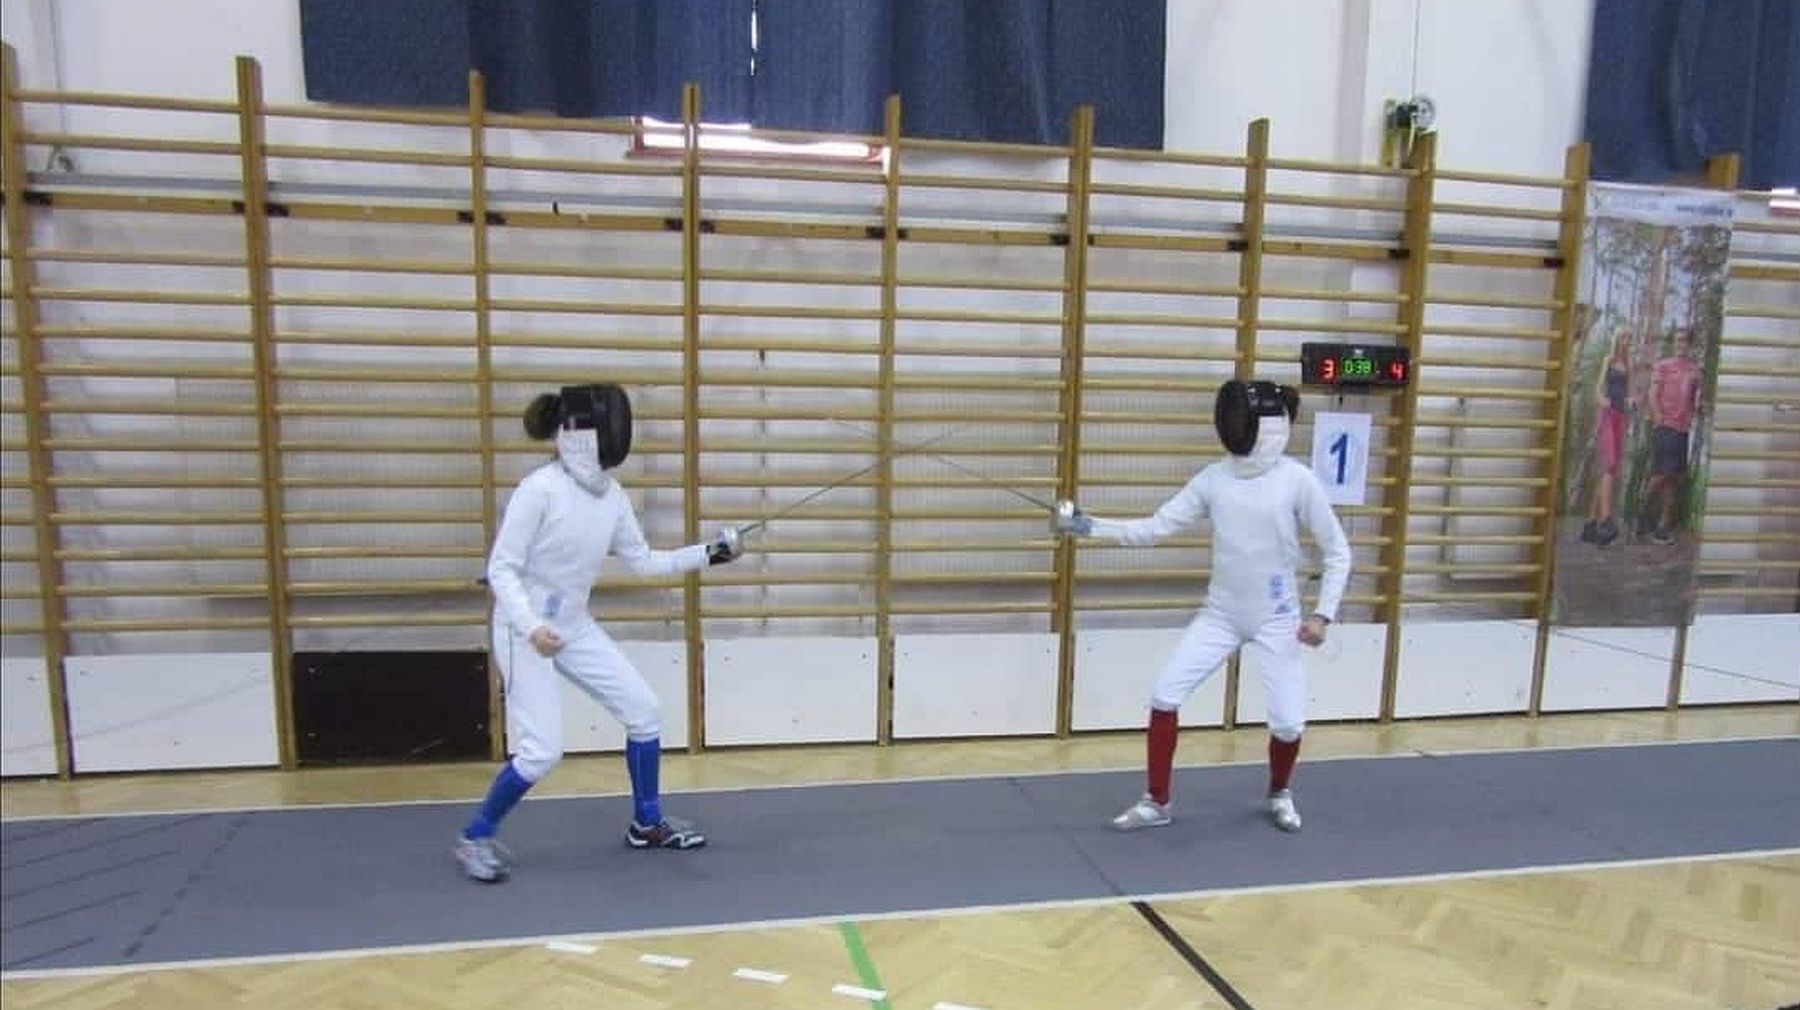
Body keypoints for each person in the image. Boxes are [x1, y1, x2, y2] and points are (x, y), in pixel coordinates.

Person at [455, 383, 745, 883]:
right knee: (542, 751)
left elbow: (644, 561)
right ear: (578, 433)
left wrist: (711, 553)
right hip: (523, 632)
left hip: (573, 626)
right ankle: (475, 836)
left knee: (643, 711)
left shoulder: (611, 497)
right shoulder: (539, 490)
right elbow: (501, 569)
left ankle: (647, 824)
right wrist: (532, 627)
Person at [1053, 379, 1351, 833]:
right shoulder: (1215, 479)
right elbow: (1153, 529)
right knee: (1164, 695)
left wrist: (1322, 614)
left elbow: (1338, 552)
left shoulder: (1297, 480)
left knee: (1288, 725)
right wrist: (1086, 526)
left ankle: (1279, 791)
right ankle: (1157, 801)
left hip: (1278, 618)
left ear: (1266, 426)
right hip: (1221, 615)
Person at [1642, 328, 1704, 546]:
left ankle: (1662, 526)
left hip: (1682, 429)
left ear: (1690, 344)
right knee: (1661, 473)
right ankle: (1642, 513)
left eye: (1685, 341)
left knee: (1673, 478)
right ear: (1674, 343)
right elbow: (1652, 394)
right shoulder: (1663, 365)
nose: (1681, 344)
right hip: (1664, 426)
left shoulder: (1695, 371)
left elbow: (1697, 400)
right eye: (1678, 340)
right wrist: (1658, 416)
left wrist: (1698, 409)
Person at [1582, 332, 1632, 547]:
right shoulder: (1608, 361)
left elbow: (1628, 392)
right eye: (1623, 338)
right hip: (1608, 415)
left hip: (1621, 417)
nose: (1626, 342)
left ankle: (1589, 525)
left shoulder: (1628, 365)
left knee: (1609, 470)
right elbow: (1597, 389)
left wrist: (1630, 401)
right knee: (1609, 465)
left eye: (1629, 339)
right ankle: (1606, 520)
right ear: (1617, 340)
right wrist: (1601, 399)